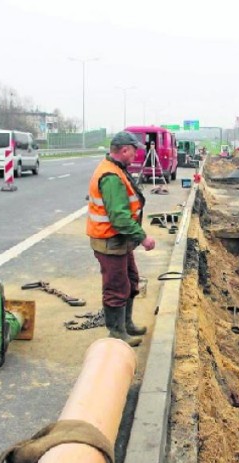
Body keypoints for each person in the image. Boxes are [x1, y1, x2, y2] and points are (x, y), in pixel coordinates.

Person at [87, 131, 156, 347]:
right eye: (134, 151)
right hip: (110, 243)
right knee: (116, 287)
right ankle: (117, 333)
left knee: (131, 281)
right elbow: (119, 217)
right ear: (124, 150)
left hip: (120, 242)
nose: (136, 155)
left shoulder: (116, 170)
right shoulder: (111, 177)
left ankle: (126, 324)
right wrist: (143, 238)